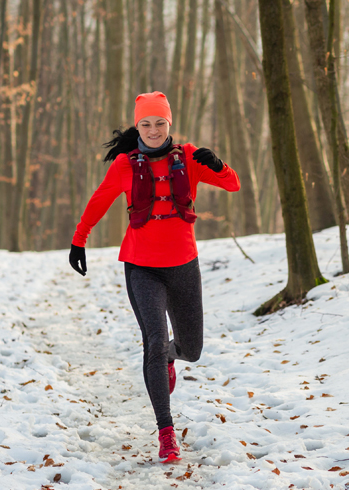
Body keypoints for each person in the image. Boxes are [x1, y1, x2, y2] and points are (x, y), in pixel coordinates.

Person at [68, 91, 240, 463]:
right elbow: (99, 201)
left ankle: (169, 359)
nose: (152, 130)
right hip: (141, 266)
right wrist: (78, 240)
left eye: (159, 123)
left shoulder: (190, 158)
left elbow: (233, 184)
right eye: (145, 124)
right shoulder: (126, 166)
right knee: (155, 341)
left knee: (191, 349)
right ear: (137, 126)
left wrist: (219, 164)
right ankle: (166, 434)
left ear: (169, 123)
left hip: (183, 267)